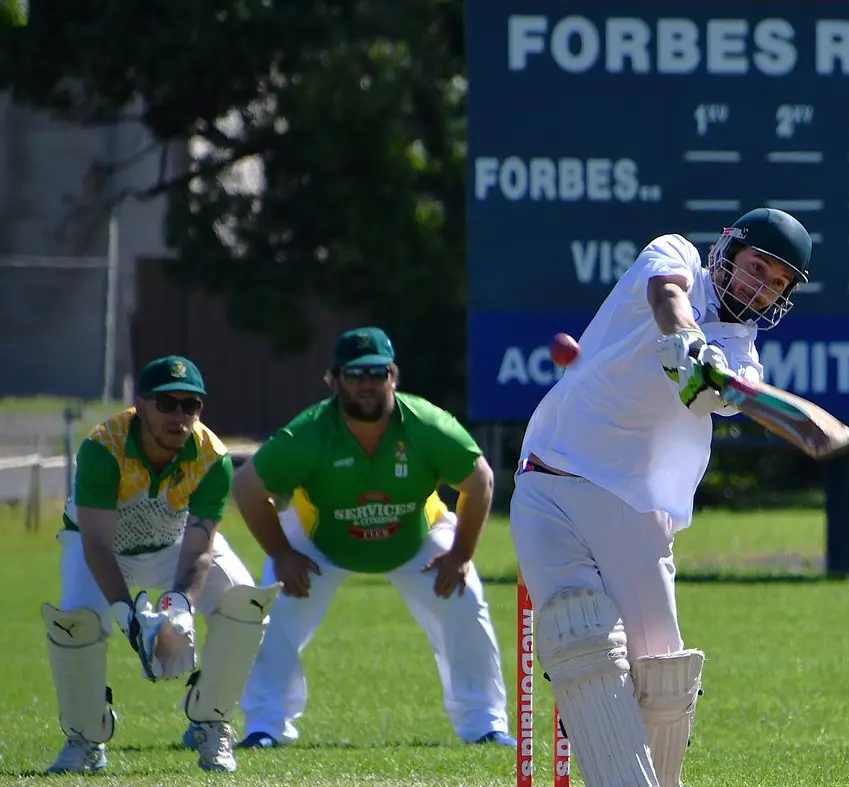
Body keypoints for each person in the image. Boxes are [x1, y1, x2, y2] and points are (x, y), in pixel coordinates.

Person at [511, 207, 812, 787]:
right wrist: (687, 341)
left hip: (634, 513)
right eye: (757, 268)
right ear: (728, 249)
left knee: (662, 679)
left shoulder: (743, 359)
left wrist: (714, 369)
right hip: (547, 481)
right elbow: (667, 297)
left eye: (778, 283)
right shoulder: (674, 253)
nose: (761, 287)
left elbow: (714, 396)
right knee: (583, 642)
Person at [231, 326, 514, 749]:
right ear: (333, 379)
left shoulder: (425, 424)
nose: (366, 384)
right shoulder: (308, 433)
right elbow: (248, 489)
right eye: (355, 374)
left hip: (416, 536)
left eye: (377, 373)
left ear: (393, 376)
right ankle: (266, 726)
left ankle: (485, 726)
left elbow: (481, 481)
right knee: (274, 601)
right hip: (318, 542)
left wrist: (460, 554)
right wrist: (282, 553)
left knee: (465, 599)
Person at [42, 356, 280, 775]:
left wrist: (181, 606)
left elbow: (201, 545)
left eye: (191, 405)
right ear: (140, 404)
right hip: (102, 549)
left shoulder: (212, 456)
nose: (179, 416)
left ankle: (212, 720)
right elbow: (95, 544)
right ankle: (86, 737)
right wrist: (127, 615)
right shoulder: (104, 447)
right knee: (75, 623)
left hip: (174, 543)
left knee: (246, 604)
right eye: (167, 403)